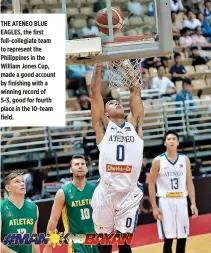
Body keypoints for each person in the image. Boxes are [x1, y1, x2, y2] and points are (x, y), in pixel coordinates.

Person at [90, 63, 144, 253]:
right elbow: (95, 92)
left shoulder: (134, 124)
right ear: (105, 113)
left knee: (124, 244)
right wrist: (98, 64)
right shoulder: (103, 128)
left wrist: (126, 66)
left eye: (118, 102)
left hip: (129, 193)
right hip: (106, 192)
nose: (117, 103)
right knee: (104, 244)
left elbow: (135, 91)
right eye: (112, 103)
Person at [148, 130, 198, 253]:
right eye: (168, 139)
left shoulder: (184, 159)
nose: (171, 141)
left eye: (174, 139)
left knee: (182, 237)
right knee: (168, 239)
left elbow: (189, 182)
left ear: (178, 142)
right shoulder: (157, 161)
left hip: (181, 200)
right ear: (165, 143)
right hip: (165, 201)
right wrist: (154, 206)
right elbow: (151, 183)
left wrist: (193, 203)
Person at [43, 155, 99, 253]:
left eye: (83, 164)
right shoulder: (63, 193)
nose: (80, 166)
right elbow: (53, 220)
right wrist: (48, 245)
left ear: (86, 169)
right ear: (71, 169)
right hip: (77, 243)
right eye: (76, 164)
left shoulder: (95, 189)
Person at [1, 171, 40, 253]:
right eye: (17, 181)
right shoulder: (1, 207)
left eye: (23, 181)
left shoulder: (34, 208)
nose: (22, 184)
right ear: (8, 188)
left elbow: (34, 239)